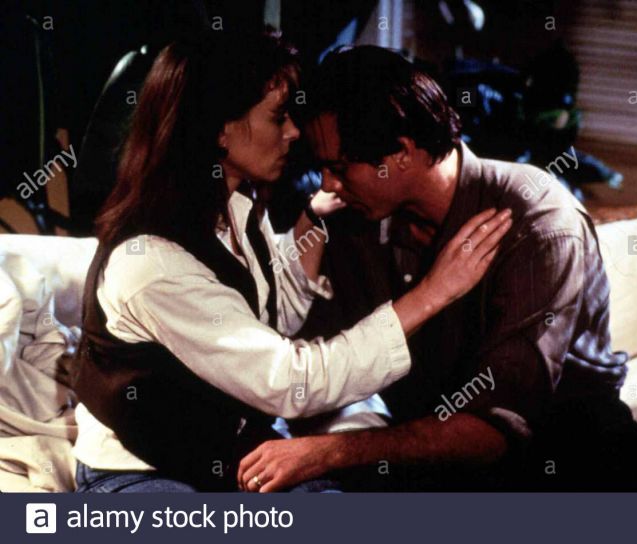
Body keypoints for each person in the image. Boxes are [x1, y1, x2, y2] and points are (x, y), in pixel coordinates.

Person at [236, 45, 637, 492]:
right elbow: (315, 359)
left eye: (339, 168)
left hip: (567, 448)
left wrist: (332, 452)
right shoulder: (354, 217)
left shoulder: (539, 223)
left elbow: (499, 426)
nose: (327, 183)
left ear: (401, 153)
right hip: (425, 445)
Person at [71, 32, 512, 493]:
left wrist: (313, 221)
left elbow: (271, 315)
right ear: (220, 130)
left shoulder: (235, 206)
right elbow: (289, 382)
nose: (293, 132)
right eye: (278, 117)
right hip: (144, 469)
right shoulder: (155, 262)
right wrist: (432, 293)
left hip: (231, 452)